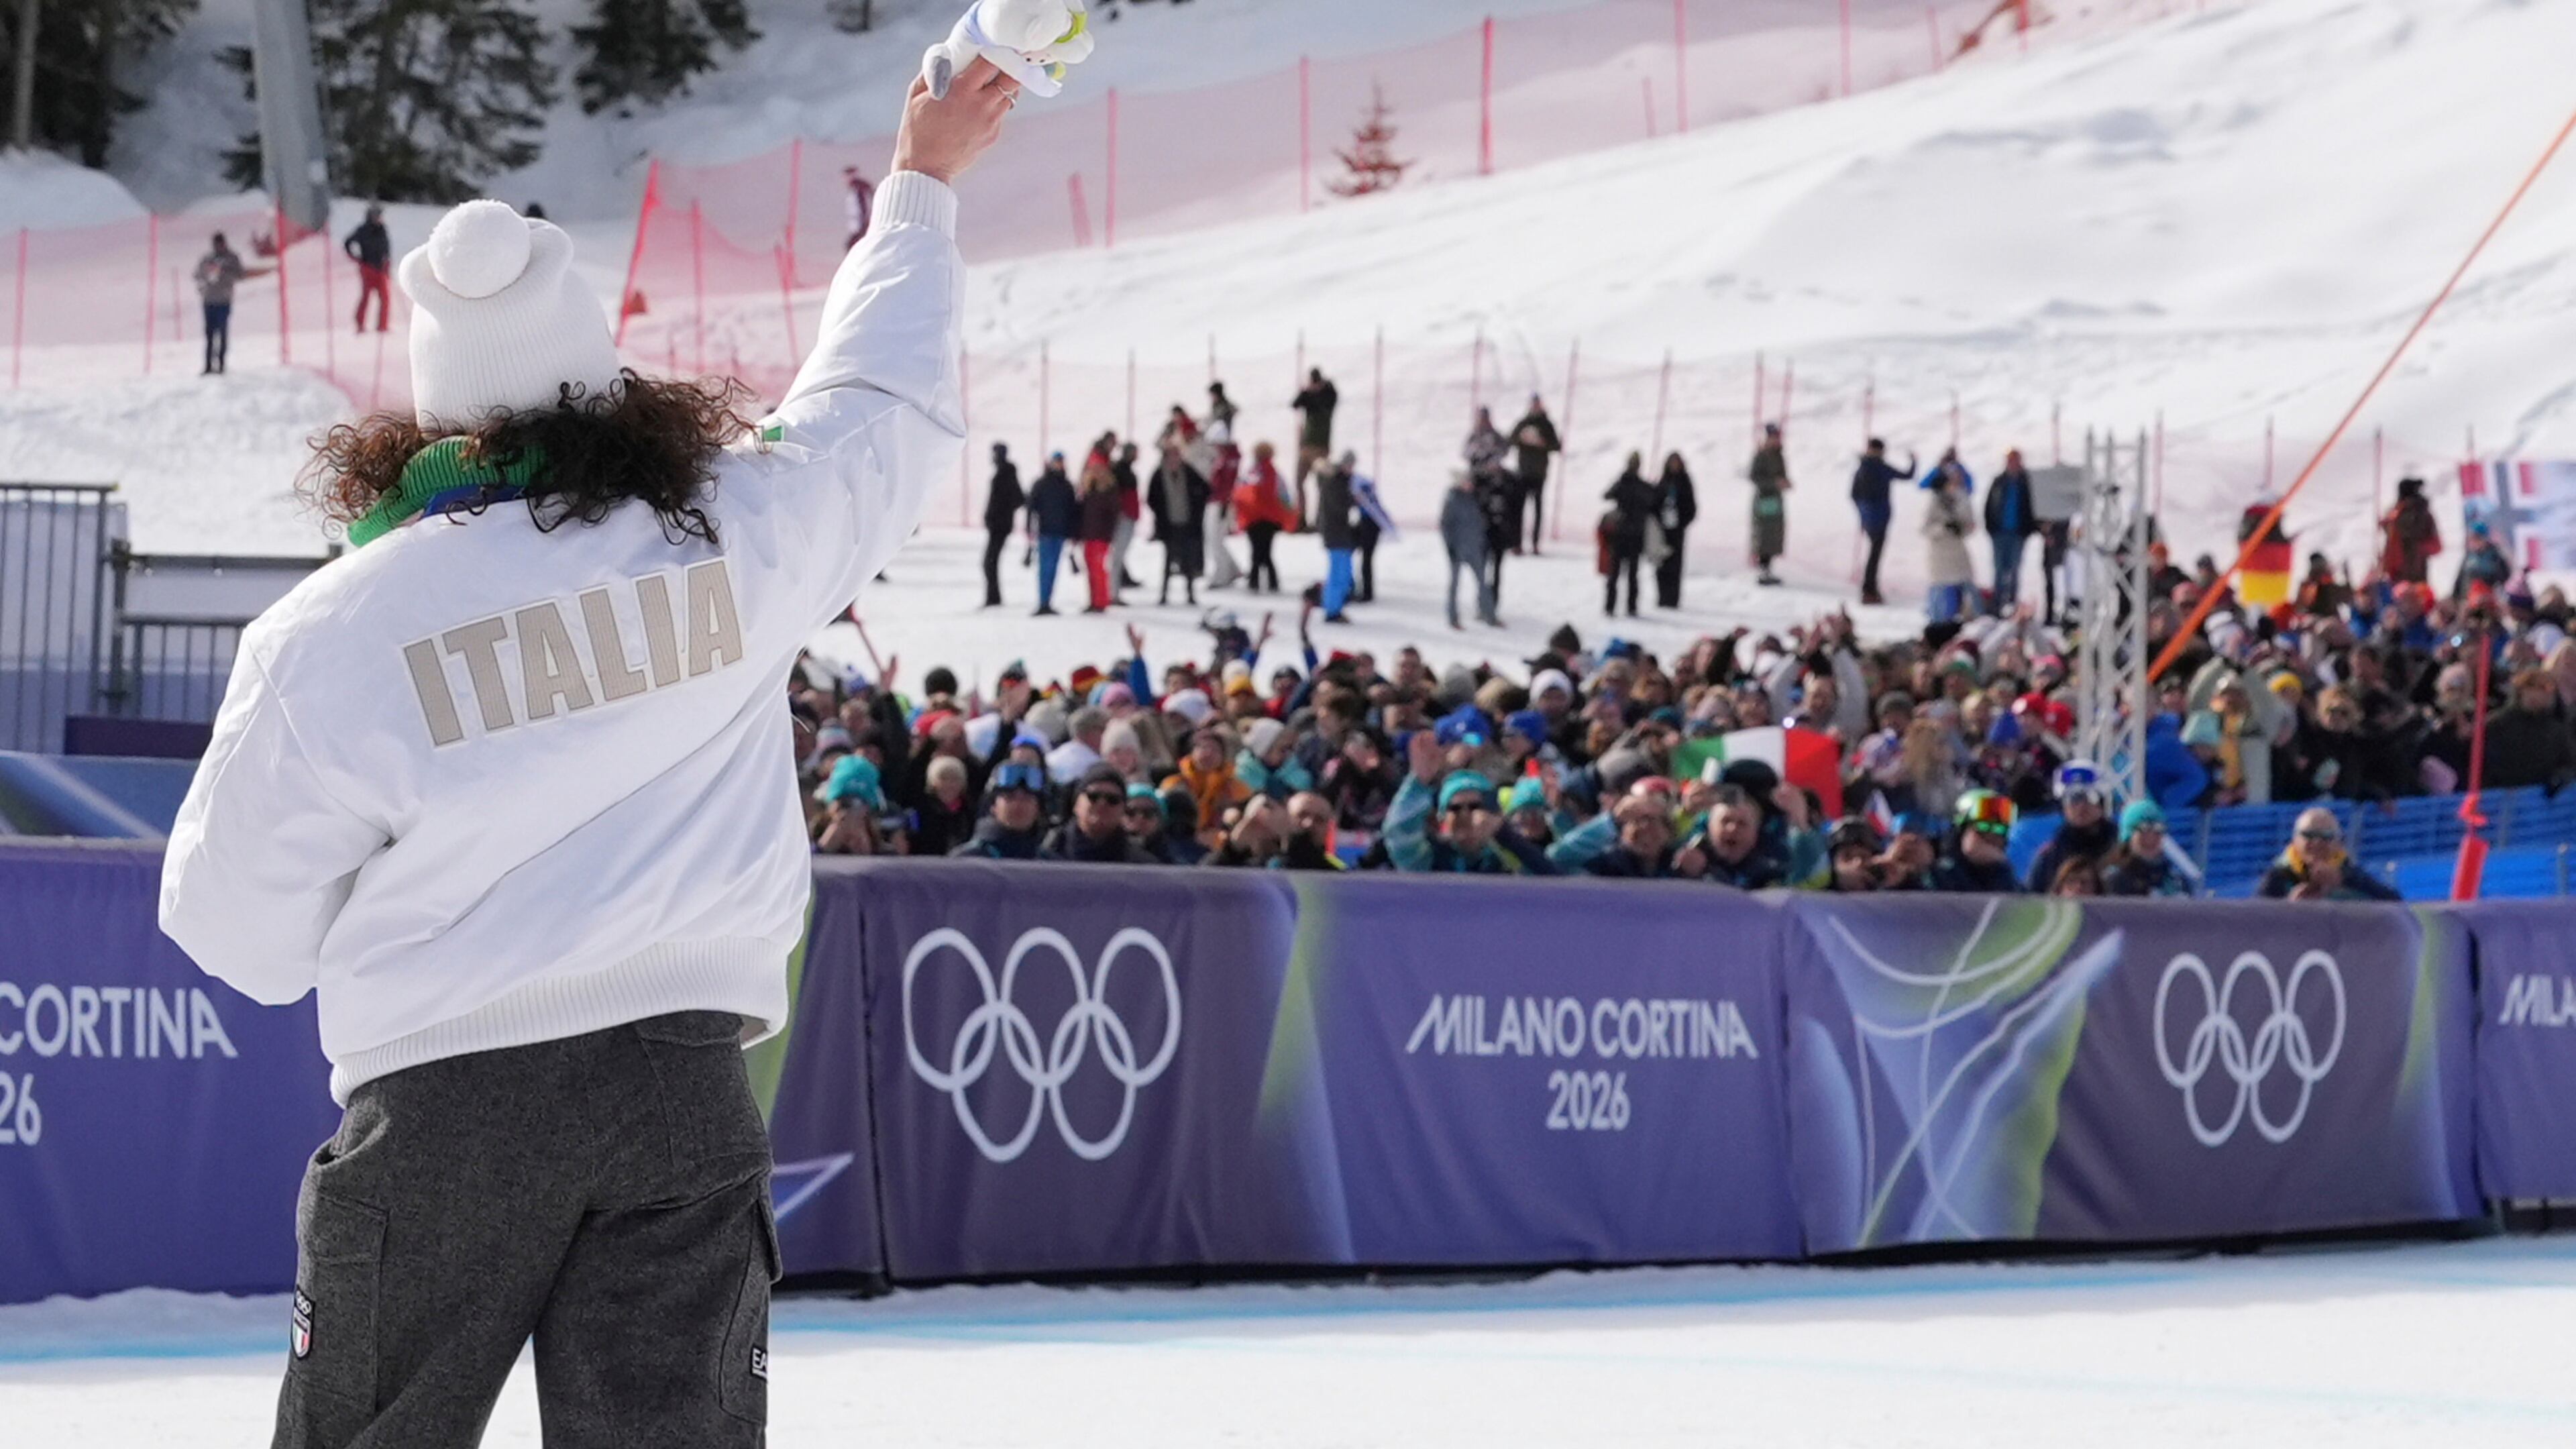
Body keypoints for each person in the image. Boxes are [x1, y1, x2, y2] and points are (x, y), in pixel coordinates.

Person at [156, 58, 1020, 1447]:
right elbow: (878, 406)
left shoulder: (336, 628)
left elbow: (231, 929)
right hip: (682, 1092)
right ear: (601, 373)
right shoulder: (732, 532)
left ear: (437, 408)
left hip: (442, 1105)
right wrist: (918, 185)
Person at [2257, 806, 2400, 901]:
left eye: (2326, 836)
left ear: (2338, 843)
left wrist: (2342, 885)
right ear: (2295, 840)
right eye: (2309, 835)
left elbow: (2395, 904)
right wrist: (2289, 906)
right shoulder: (2278, 875)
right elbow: (2254, 920)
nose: (2317, 842)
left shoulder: (2350, 874)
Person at [2021, 759, 2116, 892]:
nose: (2081, 806)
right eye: (2072, 798)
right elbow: (2032, 903)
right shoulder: (2050, 857)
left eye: (2090, 797)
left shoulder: (2120, 848)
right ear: (2063, 807)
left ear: (2102, 804)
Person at [1044, 764, 1165, 863]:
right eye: (1094, 796)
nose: (1102, 804)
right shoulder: (1047, 856)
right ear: (1076, 803)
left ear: (1123, 809)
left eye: (1113, 799)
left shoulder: (1142, 867)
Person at [1851, 438, 1916, 606]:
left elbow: (1854, 495)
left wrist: (1862, 514)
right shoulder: (1876, 468)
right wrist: (1914, 462)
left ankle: (1870, 588)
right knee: (1875, 555)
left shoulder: (1865, 467)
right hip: (1878, 517)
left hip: (1873, 518)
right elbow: (1907, 475)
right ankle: (1869, 589)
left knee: (1874, 554)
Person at [193, 231, 266, 375]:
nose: (218, 247)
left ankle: (221, 364)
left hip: (224, 301)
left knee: (222, 333)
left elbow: (240, 275)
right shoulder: (207, 259)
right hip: (209, 301)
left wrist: (224, 273)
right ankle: (208, 365)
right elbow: (198, 275)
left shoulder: (232, 258)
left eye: (220, 244)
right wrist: (208, 275)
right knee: (210, 335)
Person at [952, 760, 1051, 861]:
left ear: (1038, 808)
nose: (1018, 805)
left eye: (1027, 799)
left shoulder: (1051, 865)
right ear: (993, 806)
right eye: (1010, 797)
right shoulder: (967, 860)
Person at [1150, 442, 1210, 605]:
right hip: (1168, 525)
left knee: (1188, 560)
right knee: (1168, 560)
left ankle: (1190, 594)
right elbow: (1151, 498)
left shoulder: (1188, 472)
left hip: (1187, 524)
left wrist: (1196, 507)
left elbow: (1206, 489)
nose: (1175, 460)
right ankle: (1164, 594)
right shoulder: (1159, 474)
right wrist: (1160, 514)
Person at [1933, 790, 2023, 892]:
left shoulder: (2003, 872)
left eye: (2000, 829)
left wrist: (2002, 868)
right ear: (1961, 831)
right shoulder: (1942, 874)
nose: (1992, 835)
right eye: (1983, 826)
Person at [1601, 451, 1654, 619]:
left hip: (1623, 534)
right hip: (1631, 535)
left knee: (1619, 575)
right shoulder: (1641, 486)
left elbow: (1607, 495)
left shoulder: (1625, 484)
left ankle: (1614, 607)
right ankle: (1627, 608)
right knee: (1628, 575)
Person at [1440, 470, 1496, 629]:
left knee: (1482, 583)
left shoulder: (1474, 499)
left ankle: (1489, 614)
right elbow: (1446, 526)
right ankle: (1453, 618)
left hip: (1475, 548)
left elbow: (1480, 522)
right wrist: (1450, 547)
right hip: (1458, 549)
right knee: (1454, 585)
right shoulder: (1452, 500)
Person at [1984, 448, 2037, 614]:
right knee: (2000, 570)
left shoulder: (2026, 482)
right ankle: (1997, 606)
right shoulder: (1999, 482)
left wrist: (2029, 529)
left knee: (2014, 569)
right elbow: (1989, 506)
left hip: (2018, 533)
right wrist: (1990, 527)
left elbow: (2033, 507)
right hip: (1999, 533)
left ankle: (2012, 605)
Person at [1923, 462, 1978, 623]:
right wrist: (1943, 528)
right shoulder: (1935, 499)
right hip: (1940, 553)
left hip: (1957, 552)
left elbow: (1971, 524)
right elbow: (1924, 527)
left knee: (1962, 586)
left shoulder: (1963, 497)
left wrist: (1962, 529)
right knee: (1940, 592)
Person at [1026, 449, 1078, 616]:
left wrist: (1072, 532)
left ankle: (1047, 601)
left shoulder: (1067, 485)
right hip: (1046, 532)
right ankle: (1043, 602)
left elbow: (1072, 510)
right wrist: (1030, 528)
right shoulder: (1042, 484)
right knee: (1045, 568)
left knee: (1053, 568)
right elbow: (1031, 507)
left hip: (1060, 532)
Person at [1235, 439, 1291, 592]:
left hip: (1253, 518)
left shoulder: (1251, 472)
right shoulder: (1275, 473)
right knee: (1267, 551)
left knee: (1255, 551)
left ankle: (1254, 581)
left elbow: (1240, 493)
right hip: (1271, 520)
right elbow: (1284, 495)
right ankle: (1272, 582)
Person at [2102, 800, 2190, 897]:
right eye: (2144, 829)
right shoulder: (2113, 879)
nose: (2151, 837)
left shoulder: (2175, 881)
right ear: (2129, 836)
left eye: (2158, 829)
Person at [1510, 394, 1562, 553]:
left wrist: (1542, 443)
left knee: (1538, 510)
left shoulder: (1547, 424)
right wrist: (1523, 439)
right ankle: (1517, 544)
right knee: (1519, 509)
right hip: (1523, 472)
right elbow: (1511, 439)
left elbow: (1556, 446)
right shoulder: (1524, 422)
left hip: (1539, 473)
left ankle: (1535, 544)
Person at [1314, 452, 1358, 623]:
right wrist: (1354, 500)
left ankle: (1335, 605)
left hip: (1337, 533)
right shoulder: (1335, 483)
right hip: (1336, 534)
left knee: (1342, 572)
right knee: (1338, 573)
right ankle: (1332, 609)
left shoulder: (1336, 481)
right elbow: (1340, 506)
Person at [1652, 451, 1697, 609]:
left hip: (1677, 531)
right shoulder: (1664, 481)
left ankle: (1673, 599)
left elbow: (1691, 507)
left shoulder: (1685, 482)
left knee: (1675, 566)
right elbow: (1655, 503)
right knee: (1662, 565)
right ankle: (1662, 597)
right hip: (1662, 531)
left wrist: (1682, 522)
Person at [1077, 447, 1121, 613]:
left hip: (1101, 536)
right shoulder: (1088, 490)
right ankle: (1093, 599)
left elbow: (1113, 515)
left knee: (1098, 568)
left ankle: (1101, 601)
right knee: (1090, 568)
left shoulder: (1109, 490)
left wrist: (1109, 534)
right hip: (1089, 534)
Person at [981, 441, 1024, 608]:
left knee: (989, 562)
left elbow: (1018, 499)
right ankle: (993, 597)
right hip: (997, 525)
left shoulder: (1007, 473)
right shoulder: (1003, 472)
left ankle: (994, 598)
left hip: (1001, 526)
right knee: (989, 562)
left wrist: (1001, 513)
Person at [1748, 421, 1790, 586]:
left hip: (1775, 500)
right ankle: (1762, 570)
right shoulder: (1761, 455)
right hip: (1764, 500)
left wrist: (1784, 483)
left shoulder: (1779, 455)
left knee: (1774, 534)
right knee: (1763, 535)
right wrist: (1774, 483)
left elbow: (1782, 474)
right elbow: (1754, 477)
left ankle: (1768, 569)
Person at [1347, 453, 1393, 603]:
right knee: (1355, 555)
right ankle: (1359, 588)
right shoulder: (1361, 481)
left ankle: (1366, 592)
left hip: (1370, 523)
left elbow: (1365, 503)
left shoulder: (1357, 482)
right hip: (1366, 522)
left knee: (1366, 558)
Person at [1291, 366, 1338, 511]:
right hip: (1306, 446)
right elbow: (1295, 404)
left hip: (1321, 448)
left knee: (1322, 484)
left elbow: (1328, 400)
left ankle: (1321, 518)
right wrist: (1306, 391)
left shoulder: (1328, 396)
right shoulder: (1309, 397)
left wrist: (1320, 390)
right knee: (1299, 482)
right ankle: (1301, 518)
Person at [2379, 476, 2440, 585]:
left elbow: (2435, 545)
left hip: (2407, 571)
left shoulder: (2409, 514)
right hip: (2407, 571)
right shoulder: (2399, 513)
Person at [343, 205, 392, 333]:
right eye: (376, 215)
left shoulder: (382, 230)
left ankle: (382, 325)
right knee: (366, 297)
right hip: (367, 268)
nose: (379, 218)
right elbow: (348, 242)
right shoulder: (363, 230)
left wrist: (387, 262)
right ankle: (360, 324)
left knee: (385, 298)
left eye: (380, 216)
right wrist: (356, 258)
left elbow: (386, 248)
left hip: (380, 269)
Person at [843, 166, 875, 250]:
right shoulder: (853, 188)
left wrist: (865, 218)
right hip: (856, 220)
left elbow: (864, 204)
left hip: (861, 220)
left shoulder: (859, 187)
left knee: (853, 244)